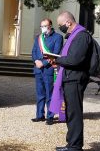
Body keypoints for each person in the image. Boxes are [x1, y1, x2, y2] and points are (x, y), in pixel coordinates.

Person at [50, 11, 92, 151]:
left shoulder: (81, 36)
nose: (60, 28)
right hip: (69, 78)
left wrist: (58, 60)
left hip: (75, 79)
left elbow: (75, 59)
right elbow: (69, 58)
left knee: (74, 113)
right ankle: (71, 144)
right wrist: (58, 61)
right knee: (70, 112)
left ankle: (75, 146)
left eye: (60, 25)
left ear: (68, 22)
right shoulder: (73, 36)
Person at [31, 18, 63, 125]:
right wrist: (36, 61)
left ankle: (50, 116)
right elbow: (34, 51)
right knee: (40, 94)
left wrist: (43, 63)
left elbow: (56, 53)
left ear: (50, 26)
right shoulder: (38, 38)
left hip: (49, 69)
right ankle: (39, 115)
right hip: (38, 69)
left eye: (44, 26)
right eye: (41, 26)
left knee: (50, 94)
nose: (43, 28)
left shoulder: (58, 37)